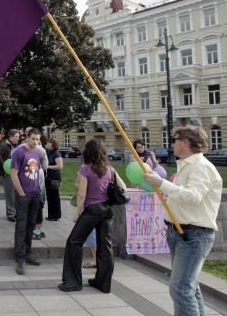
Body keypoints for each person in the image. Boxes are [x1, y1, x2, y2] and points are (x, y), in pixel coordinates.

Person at [143, 125, 223, 315]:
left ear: (185, 142)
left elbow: (193, 196)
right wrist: (161, 184)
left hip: (194, 235)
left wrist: (161, 183)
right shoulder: (188, 166)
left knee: (180, 288)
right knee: (189, 286)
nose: (171, 145)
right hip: (180, 232)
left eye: (174, 140)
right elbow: (182, 197)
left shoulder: (201, 167)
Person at [58, 139, 127, 293]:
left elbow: (81, 194)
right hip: (107, 210)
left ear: (87, 152)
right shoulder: (109, 169)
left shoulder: (85, 169)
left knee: (74, 242)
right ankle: (103, 283)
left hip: (92, 210)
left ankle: (73, 282)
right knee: (105, 246)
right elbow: (123, 187)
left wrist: (77, 213)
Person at [11, 128, 47, 275]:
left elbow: (38, 173)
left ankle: (28, 251)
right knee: (21, 225)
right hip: (23, 195)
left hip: (35, 194)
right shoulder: (19, 152)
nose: (36, 142)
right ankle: (19, 257)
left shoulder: (37, 153)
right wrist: (21, 193)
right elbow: (14, 174)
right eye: (33, 139)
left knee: (31, 225)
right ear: (27, 138)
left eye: (38, 139)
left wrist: (38, 191)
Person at [0, 129, 20, 222]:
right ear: (11, 136)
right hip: (7, 173)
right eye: (16, 136)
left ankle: (14, 212)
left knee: (15, 193)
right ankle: (11, 214)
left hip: (14, 172)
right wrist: (4, 165)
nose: (18, 138)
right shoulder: (4, 145)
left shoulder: (14, 145)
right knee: (10, 194)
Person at [45, 139, 63, 221]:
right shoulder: (48, 152)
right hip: (49, 177)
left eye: (48, 143)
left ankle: (56, 215)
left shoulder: (56, 153)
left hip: (54, 178)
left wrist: (48, 167)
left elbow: (60, 166)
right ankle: (51, 215)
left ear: (52, 144)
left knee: (54, 196)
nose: (47, 144)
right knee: (49, 196)